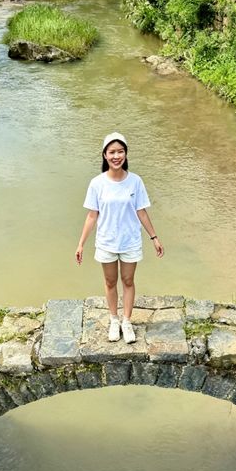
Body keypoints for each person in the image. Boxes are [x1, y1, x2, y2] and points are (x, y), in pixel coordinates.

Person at [75, 132, 164, 344]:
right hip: (106, 241)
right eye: (112, 152)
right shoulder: (97, 183)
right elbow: (91, 215)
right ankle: (113, 319)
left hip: (130, 240)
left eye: (120, 151)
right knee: (110, 281)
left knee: (128, 280)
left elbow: (141, 211)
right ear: (105, 155)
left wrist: (154, 237)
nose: (117, 156)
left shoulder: (135, 181)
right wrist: (80, 244)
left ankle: (127, 321)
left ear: (125, 154)